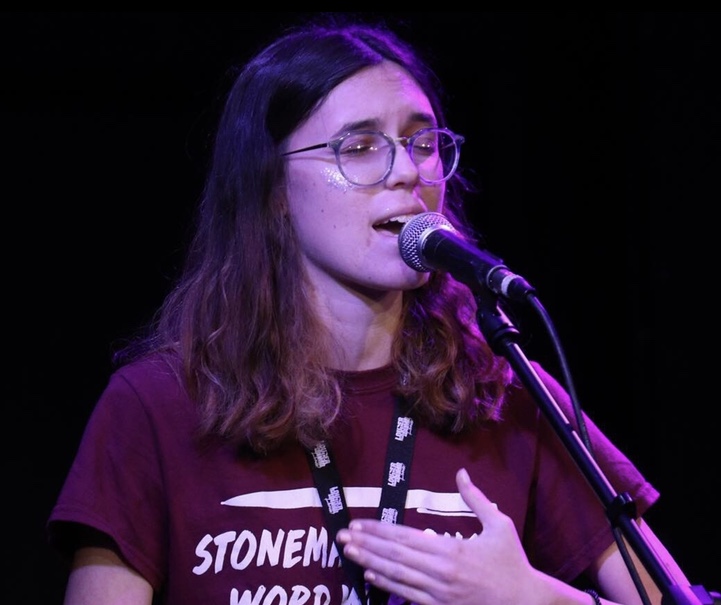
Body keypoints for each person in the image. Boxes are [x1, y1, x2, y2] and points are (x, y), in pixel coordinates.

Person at [47, 14, 697, 605]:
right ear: (271, 189)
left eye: (420, 143)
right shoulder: (158, 405)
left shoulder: (507, 396)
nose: (407, 172)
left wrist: (537, 599)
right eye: (358, 148)